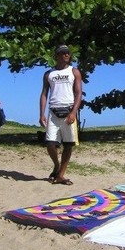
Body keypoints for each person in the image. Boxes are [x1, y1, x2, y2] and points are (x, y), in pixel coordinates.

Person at [39, 45, 82, 185]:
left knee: (68, 145)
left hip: (68, 111)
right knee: (50, 144)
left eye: (67, 53)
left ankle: (61, 175)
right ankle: (56, 166)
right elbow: (44, 94)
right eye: (62, 53)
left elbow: (78, 93)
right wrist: (42, 113)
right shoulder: (49, 74)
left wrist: (74, 112)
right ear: (56, 56)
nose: (66, 55)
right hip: (53, 111)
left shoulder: (74, 72)